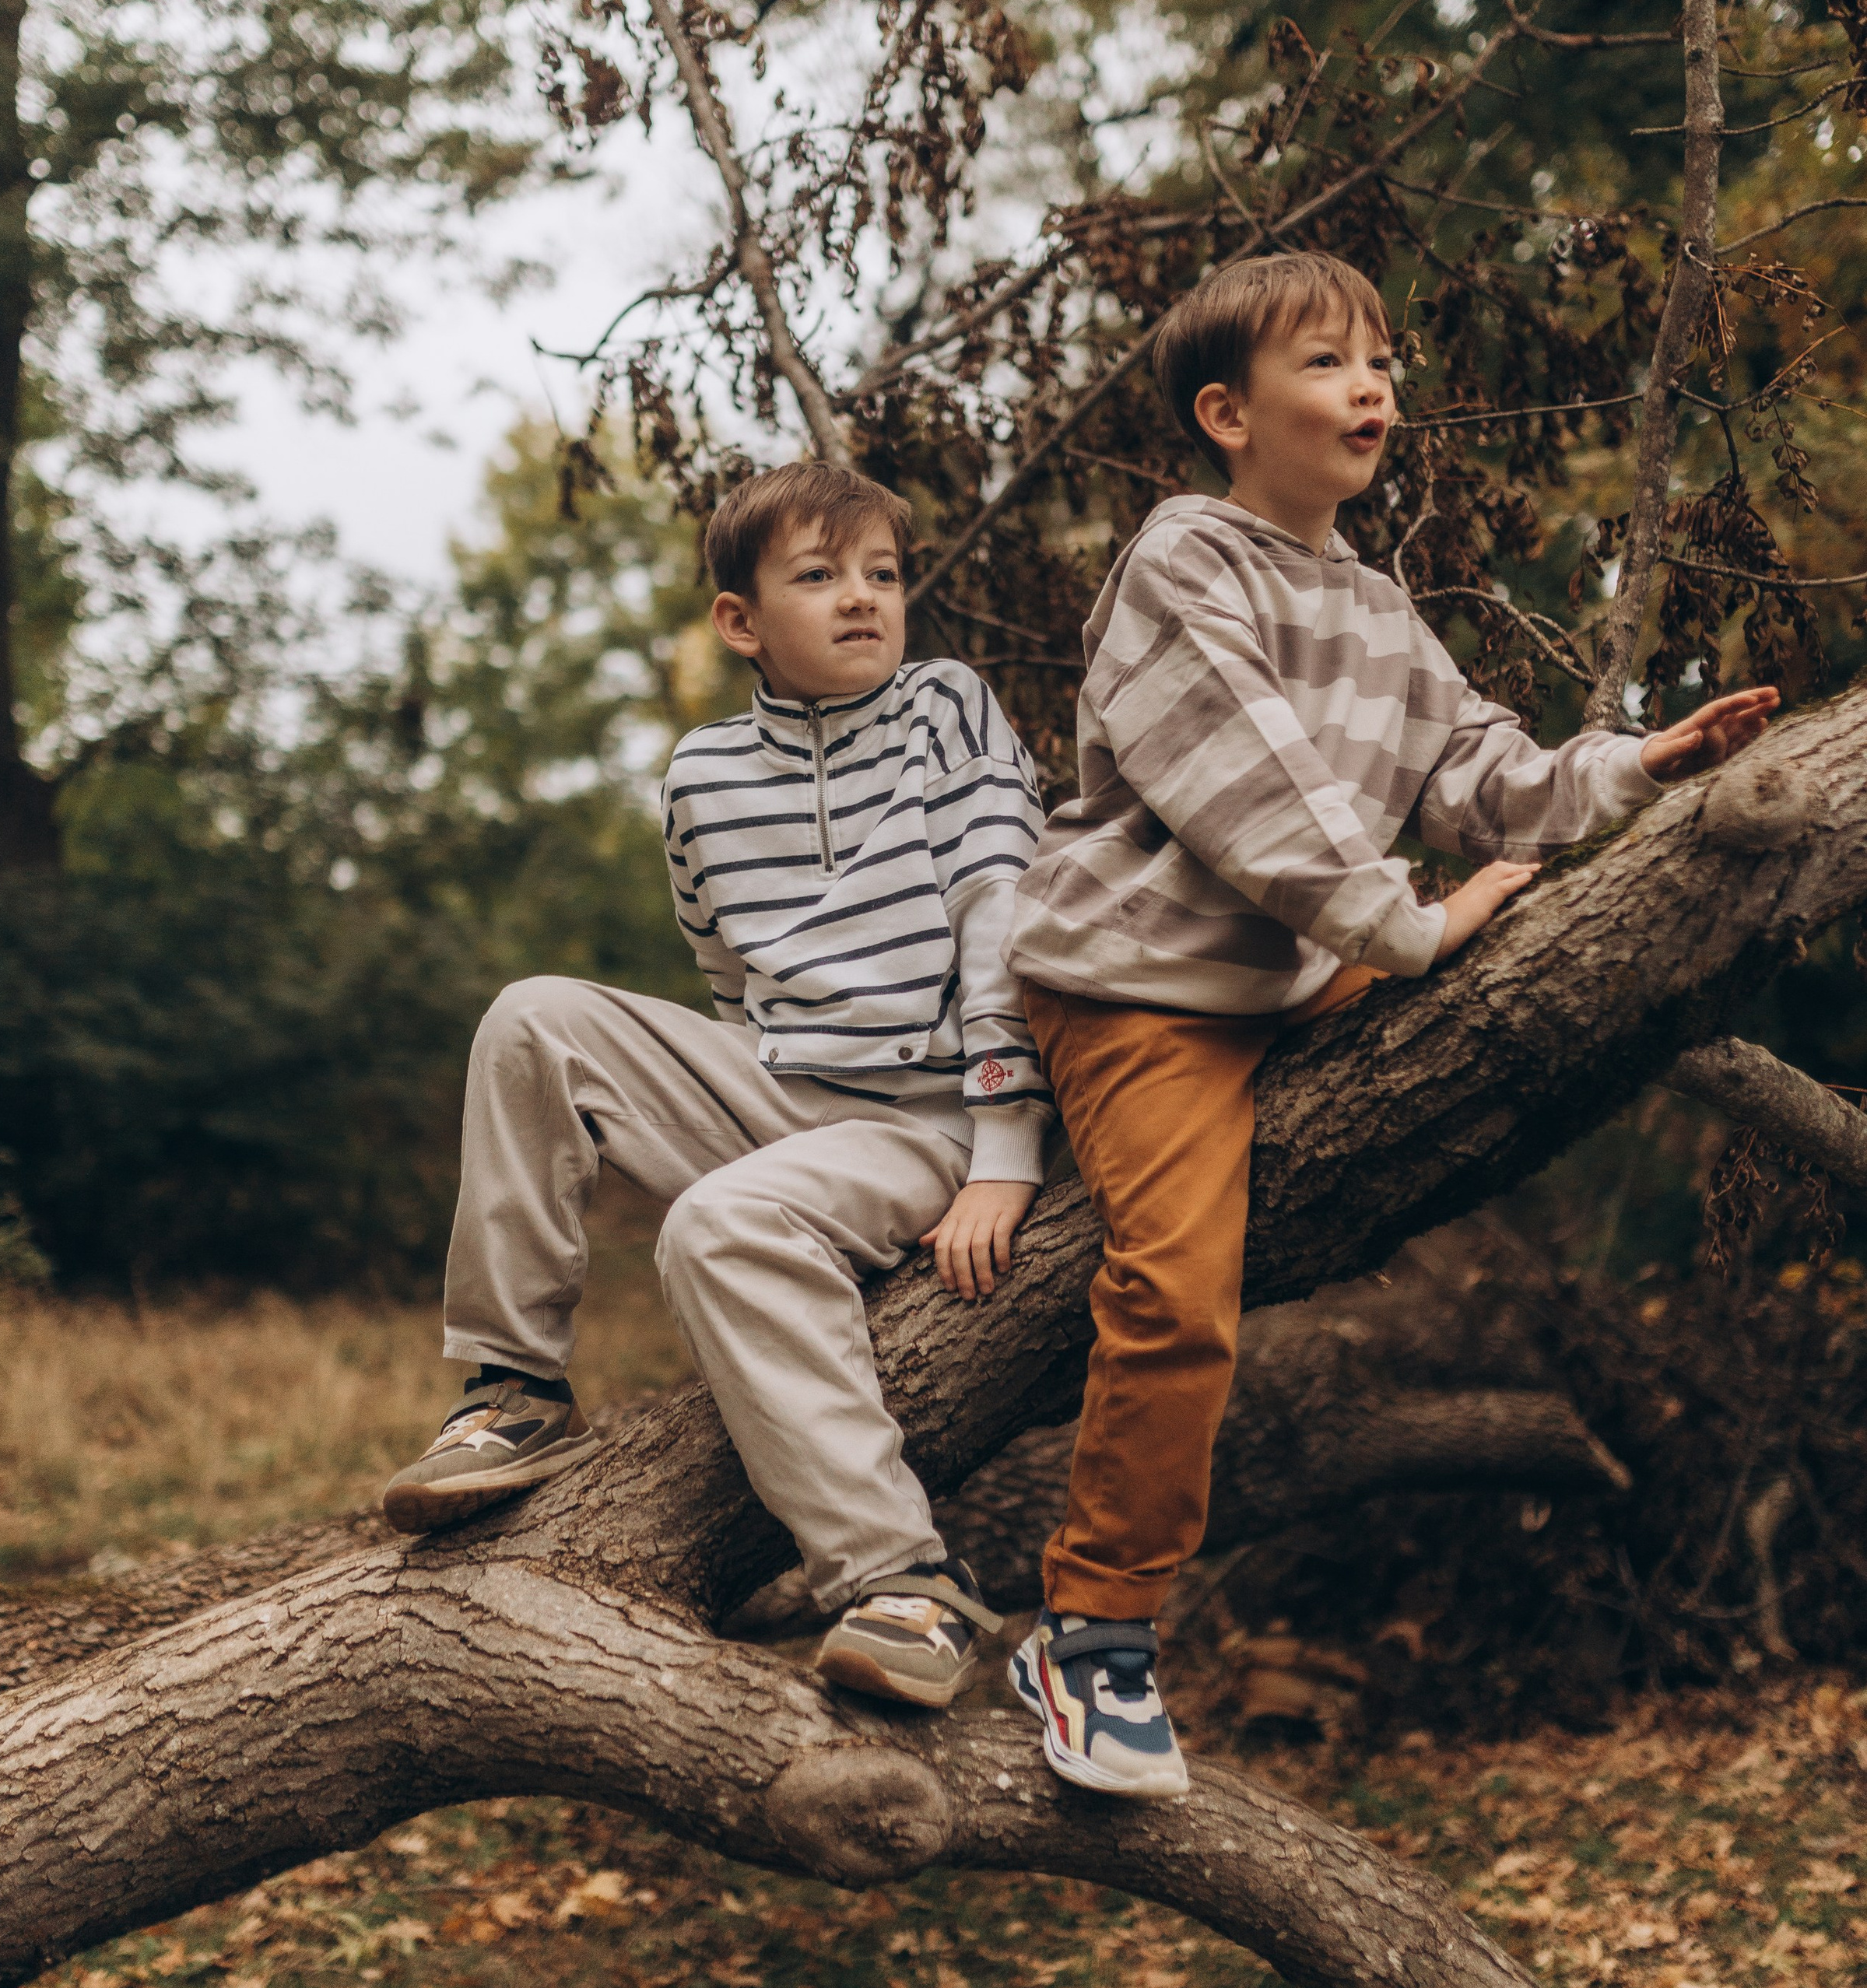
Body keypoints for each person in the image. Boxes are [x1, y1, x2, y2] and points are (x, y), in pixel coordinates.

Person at [1000, 250, 1780, 1798]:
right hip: (1141, 983)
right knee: (1173, 1287)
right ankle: (1089, 1631)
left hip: (1299, 970)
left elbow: (1478, 771)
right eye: (1327, 363)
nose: (1371, 387)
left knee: (1506, 1032)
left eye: (1381, 361)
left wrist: (1634, 765)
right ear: (1224, 411)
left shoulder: (1367, 597)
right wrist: (1407, 927)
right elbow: (1260, 787)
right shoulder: (1182, 560)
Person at [382, 459, 1055, 1709]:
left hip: (928, 1114)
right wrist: (748, 1109)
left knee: (716, 1227)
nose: (864, 600)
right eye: (820, 576)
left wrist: (1007, 1152)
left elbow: (1002, 922)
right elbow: (726, 980)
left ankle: (906, 1580)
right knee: (536, 1018)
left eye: (884, 575)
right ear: (740, 621)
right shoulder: (699, 777)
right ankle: (513, 1387)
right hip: (781, 1080)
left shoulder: (945, 709)